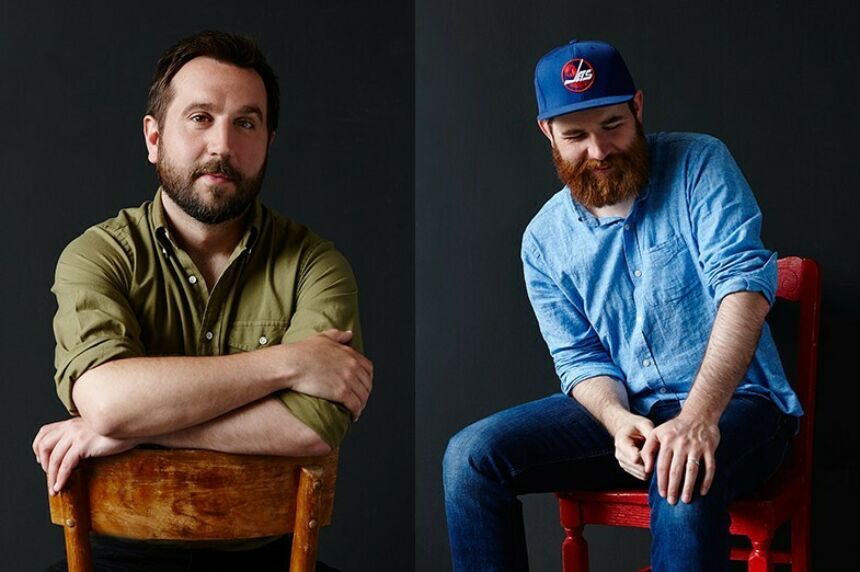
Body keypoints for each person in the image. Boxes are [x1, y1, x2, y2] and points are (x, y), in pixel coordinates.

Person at [442, 39, 801, 572]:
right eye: (576, 136)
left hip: (739, 405)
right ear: (547, 133)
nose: (599, 150)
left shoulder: (700, 163)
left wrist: (698, 418)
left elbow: (743, 290)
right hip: (631, 411)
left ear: (638, 106)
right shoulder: (543, 240)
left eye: (612, 124)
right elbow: (581, 359)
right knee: (469, 458)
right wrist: (615, 422)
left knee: (681, 472)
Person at [32, 31, 372, 571]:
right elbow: (107, 401)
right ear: (153, 138)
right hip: (119, 555)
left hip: (271, 557)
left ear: (268, 142)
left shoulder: (316, 265)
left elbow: (309, 428)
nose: (223, 146)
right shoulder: (96, 255)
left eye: (245, 122)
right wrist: (290, 363)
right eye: (200, 117)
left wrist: (127, 430)